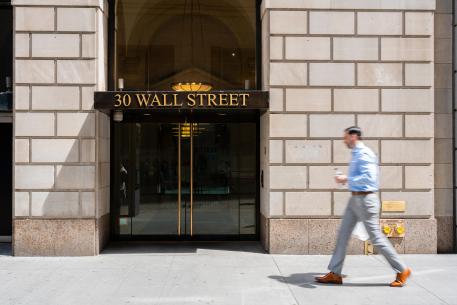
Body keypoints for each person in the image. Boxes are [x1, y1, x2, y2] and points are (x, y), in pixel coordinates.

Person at [315, 126, 411, 287]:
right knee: (343, 234)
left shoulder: (365, 153)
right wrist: (347, 180)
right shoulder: (356, 154)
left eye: (345, 137)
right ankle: (335, 273)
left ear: (354, 137)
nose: (344, 140)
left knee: (376, 238)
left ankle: (402, 270)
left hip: (366, 200)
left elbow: (369, 179)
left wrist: (346, 179)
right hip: (355, 199)